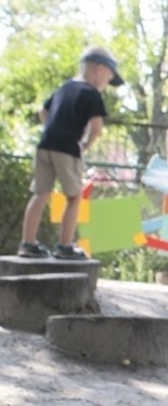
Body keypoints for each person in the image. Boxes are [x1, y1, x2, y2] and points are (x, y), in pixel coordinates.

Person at [18, 45, 124, 260]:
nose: (106, 85)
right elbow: (96, 128)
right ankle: (64, 246)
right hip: (67, 150)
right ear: (99, 69)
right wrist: (84, 145)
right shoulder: (92, 94)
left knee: (40, 194)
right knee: (74, 197)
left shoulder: (64, 87)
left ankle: (27, 244)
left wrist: (53, 129)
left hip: (45, 145)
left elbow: (43, 111)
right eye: (108, 78)